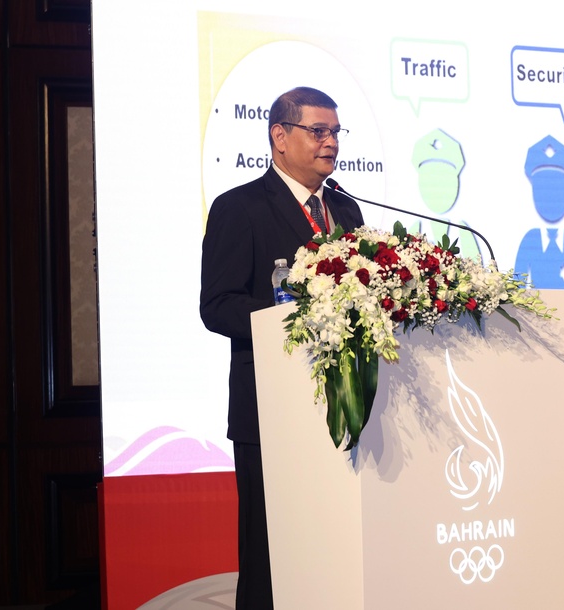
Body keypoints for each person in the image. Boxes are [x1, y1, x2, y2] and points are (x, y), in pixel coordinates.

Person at [200, 86, 364, 608]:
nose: (331, 142)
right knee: (270, 558)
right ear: (280, 136)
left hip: (341, 410)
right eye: (318, 131)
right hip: (269, 412)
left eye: (335, 132)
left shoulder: (345, 209)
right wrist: (294, 320)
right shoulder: (240, 207)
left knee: (334, 552)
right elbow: (217, 305)